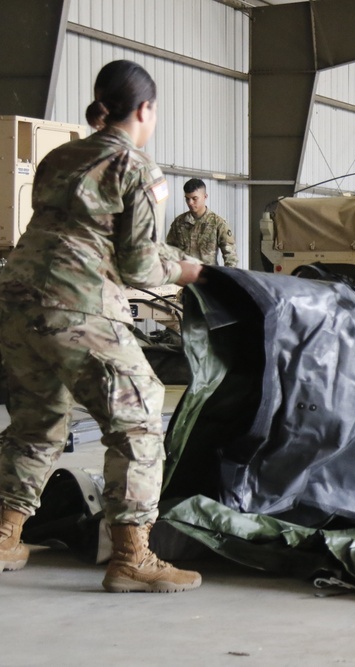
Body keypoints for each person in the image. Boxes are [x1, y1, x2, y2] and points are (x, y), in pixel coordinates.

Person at [0, 60, 203, 592]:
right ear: (145, 109)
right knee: (137, 418)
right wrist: (188, 270)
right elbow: (137, 266)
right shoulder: (135, 165)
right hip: (79, 305)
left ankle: (4, 535)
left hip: (17, 303)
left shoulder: (61, 156)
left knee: (35, 422)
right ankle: (133, 555)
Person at [166, 178, 238, 267]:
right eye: (187, 199)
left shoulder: (217, 223)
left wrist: (226, 279)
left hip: (208, 277)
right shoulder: (179, 223)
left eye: (194, 198)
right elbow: (169, 250)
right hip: (185, 277)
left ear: (205, 196)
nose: (190, 203)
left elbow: (231, 257)